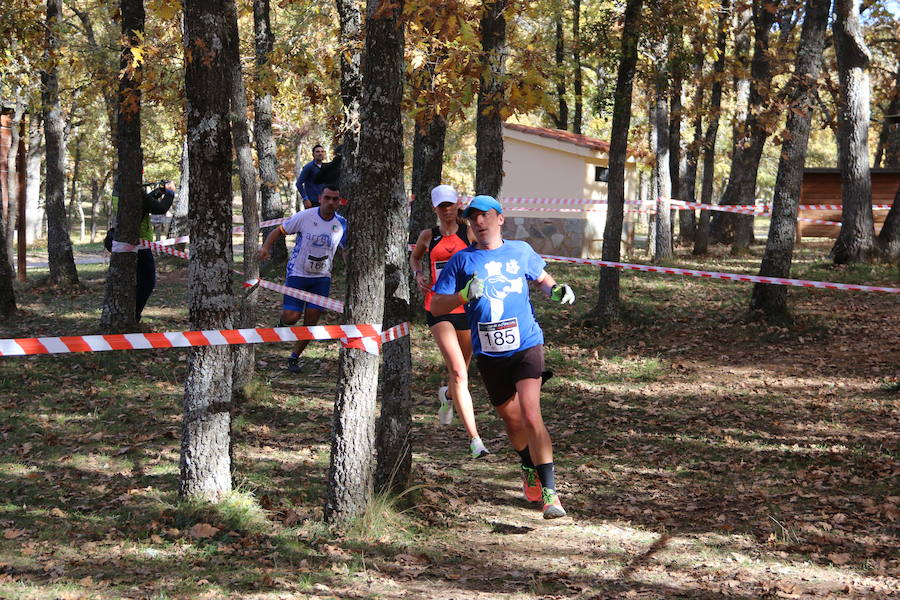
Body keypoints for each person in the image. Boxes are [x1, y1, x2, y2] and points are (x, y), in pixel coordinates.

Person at [430, 195, 575, 519]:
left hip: (526, 343)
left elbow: (543, 281)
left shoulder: (520, 251)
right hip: (490, 353)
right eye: (473, 218)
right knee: (512, 421)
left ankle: (551, 495)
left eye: (485, 216)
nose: (478, 222)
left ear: (500, 218)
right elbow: (437, 306)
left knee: (531, 413)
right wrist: (463, 295)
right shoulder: (462, 261)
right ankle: (527, 465)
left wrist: (557, 290)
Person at [409, 184, 489, 459]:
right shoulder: (428, 237)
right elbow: (415, 258)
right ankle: (475, 439)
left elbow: (484, 256)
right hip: (438, 306)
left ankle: (448, 396)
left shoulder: (468, 233)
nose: (446, 210)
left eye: (450, 204)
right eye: (441, 206)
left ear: (458, 205)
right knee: (458, 371)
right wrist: (418, 275)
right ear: (434, 209)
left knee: (461, 374)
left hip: (466, 308)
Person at [258, 184, 347, 373]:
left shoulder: (341, 223)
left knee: (311, 322)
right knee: (292, 317)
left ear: (339, 202)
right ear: (320, 198)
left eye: (335, 199)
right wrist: (266, 248)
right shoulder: (305, 216)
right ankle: (282, 323)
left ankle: (293, 358)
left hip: (322, 278)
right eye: (327, 198)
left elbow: (346, 249)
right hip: (298, 273)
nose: (331, 202)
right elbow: (278, 231)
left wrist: (350, 270)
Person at [107, 179, 176, 322]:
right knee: (147, 283)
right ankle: (134, 316)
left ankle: (127, 315)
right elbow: (159, 209)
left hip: (125, 244)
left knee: (133, 282)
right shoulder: (136, 193)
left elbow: (143, 205)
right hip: (140, 246)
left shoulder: (120, 191)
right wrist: (170, 192)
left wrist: (158, 192)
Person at [295, 144, 327, 209]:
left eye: (322, 151)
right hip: (312, 203)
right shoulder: (309, 167)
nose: (320, 153)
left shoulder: (325, 167)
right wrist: (305, 199)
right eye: (317, 152)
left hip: (324, 202)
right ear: (313, 154)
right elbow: (299, 184)